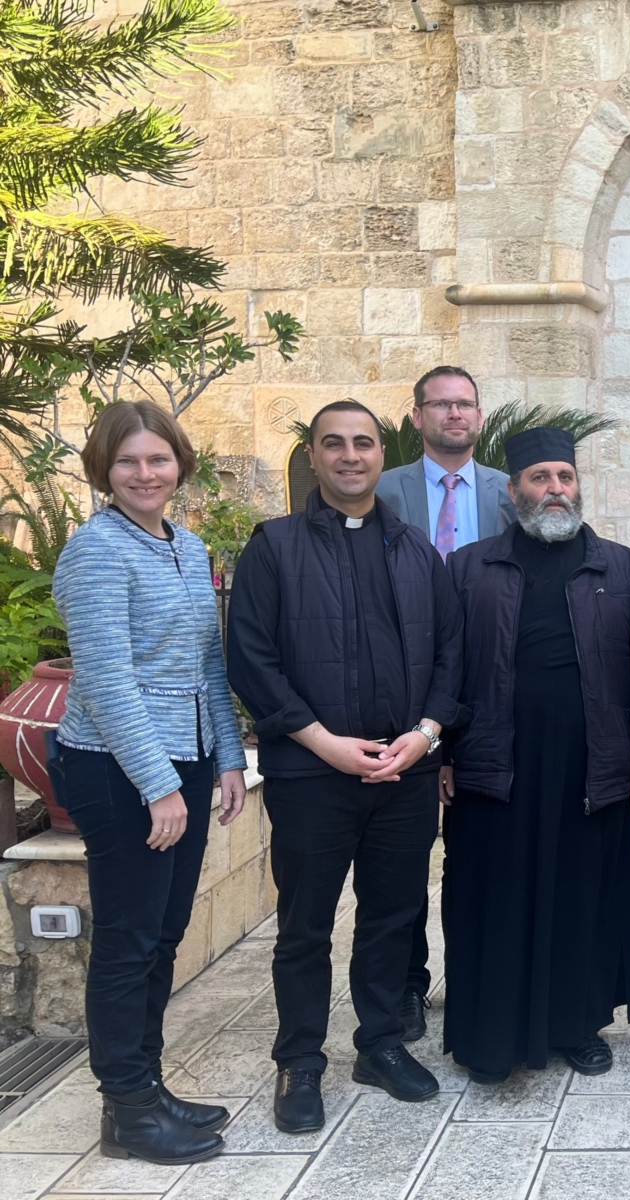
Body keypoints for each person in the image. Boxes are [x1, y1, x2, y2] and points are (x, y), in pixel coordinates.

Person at [227, 400, 464, 1134]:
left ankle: (381, 1043)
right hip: (312, 775)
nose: (351, 456)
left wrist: (424, 735)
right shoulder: (274, 546)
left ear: (380, 455)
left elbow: (453, 654)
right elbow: (251, 658)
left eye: (364, 443)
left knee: (393, 916)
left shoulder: (416, 549)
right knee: (306, 925)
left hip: (404, 772)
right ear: (315, 456)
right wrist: (320, 740)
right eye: (335, 444)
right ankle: (300, 1061)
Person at [51, 401, 249, 1164]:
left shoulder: (183, 544)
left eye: (158, 459)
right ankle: (127, 1109)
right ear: (105, 469)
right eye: (128, 461)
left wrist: (228, 757)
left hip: (187, 761)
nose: (145, 474)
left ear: (180, 464)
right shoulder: (97, 551)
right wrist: (158, 784)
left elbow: (206, 664)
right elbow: (103, 679)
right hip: (118, 768)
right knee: (130, 942)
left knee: (162, 936)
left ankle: (146, 1088)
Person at [441, 427, 630, 1082]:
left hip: (589, 758)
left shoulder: (621, 566)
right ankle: (490, 1034)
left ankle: (578, 1023)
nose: (554, 489)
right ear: (514, 491)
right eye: (540, 478)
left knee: (583, 892)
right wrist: (442, 752)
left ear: (578, 486)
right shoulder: (469, 567)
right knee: (493, 894)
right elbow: (445, 666)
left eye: (564, 477)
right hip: (495, 756)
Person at [373, 365, 517, 1043]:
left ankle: (478, 975)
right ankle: (405, 982)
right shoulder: (384, 492)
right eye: (441, 404)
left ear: (480, 417)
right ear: (417, 414)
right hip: (402, 692)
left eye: (466, 405)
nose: (454, 415)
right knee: (401, 858)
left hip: (486, 695)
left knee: (476, 852)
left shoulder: (509, 492)